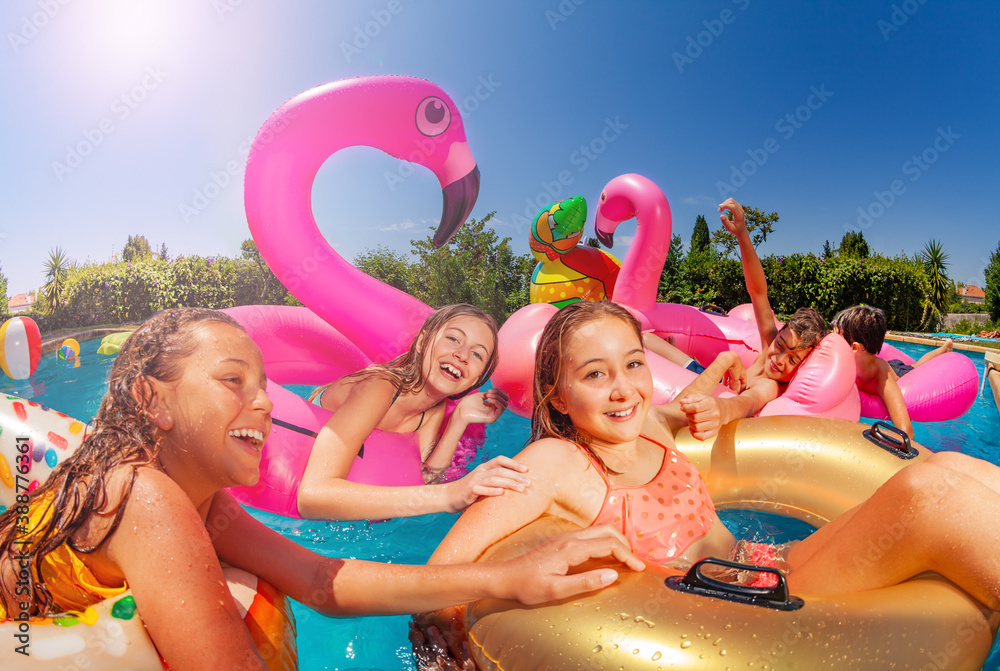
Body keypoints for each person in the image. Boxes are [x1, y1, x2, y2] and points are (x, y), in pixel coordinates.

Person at [0, 308, 645, 670]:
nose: (261, 405)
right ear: (150, 400)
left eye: (261, 385)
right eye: (233, 382)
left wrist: (503, 578)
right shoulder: (147, 498)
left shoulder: (199, 499)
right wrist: (451, 503)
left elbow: (317, 579)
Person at [428, 300, 1000, 621]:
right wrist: (448, 647)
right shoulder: (556, 461)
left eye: (633, 364)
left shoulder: (648, 425)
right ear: (556, 396)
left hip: (769, 562)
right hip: (737, 604)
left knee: (944, 472)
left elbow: (696, 410)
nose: (624, 389)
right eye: (595, 374)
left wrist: (709, 415)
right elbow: (440, 573)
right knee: (928, 502)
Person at [299, 304, 530, 520]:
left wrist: (461, 417)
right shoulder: (379, 388)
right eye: (453, 339)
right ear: (422, 342)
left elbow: (428, 477)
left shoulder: (432, 410)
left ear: (478, 379)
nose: (462, 355)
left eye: (477, 354)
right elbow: (312, 495)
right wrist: (449, 496)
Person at [676, 198, 829, 439]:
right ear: (778, 335)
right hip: (707, 374)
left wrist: (722, 409)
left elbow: (747, 402)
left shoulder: (771, 386)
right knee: (649, 340)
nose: (779, 359)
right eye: (781, 346)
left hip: (718, 395)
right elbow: (758, 292)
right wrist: (742, 233)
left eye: (793, 360)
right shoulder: (770, 343)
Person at [830, 305, 953, 438]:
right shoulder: (842, 364)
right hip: (882, 363)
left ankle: (945, 348)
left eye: (835, 338)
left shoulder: (880, 374)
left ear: (854, 348)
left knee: (917, 367)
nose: (829, 342)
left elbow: (907, 433)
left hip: (898, 371)